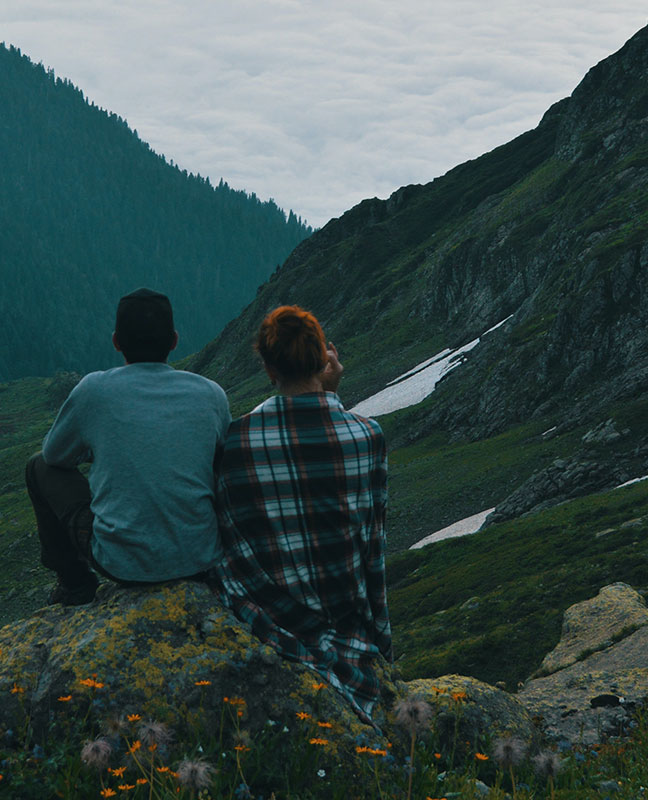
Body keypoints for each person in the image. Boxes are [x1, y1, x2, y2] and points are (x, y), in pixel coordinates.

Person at [212, 305, 391, 722]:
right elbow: (373, 546)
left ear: (270, 369)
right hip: (348, 621)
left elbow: (228, 538)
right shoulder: (368, 436)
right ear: (325, 357)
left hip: (275, 618)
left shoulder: (236, 443)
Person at [26, 288, 231, 606]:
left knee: (37, 466)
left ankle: (75, 584)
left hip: (122, 564)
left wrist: (97, 450)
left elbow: (55, 456)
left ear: (116, 342)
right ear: (175, 340)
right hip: (201, 559)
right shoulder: (211, 394)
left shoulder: (95, 390)